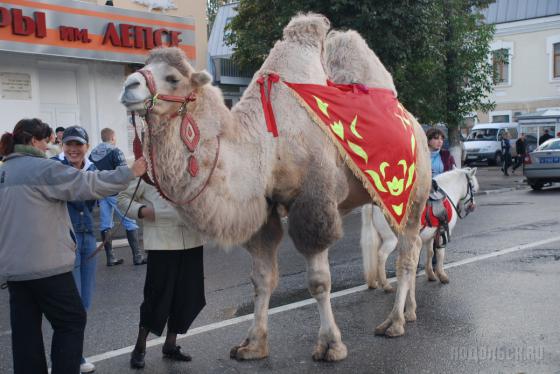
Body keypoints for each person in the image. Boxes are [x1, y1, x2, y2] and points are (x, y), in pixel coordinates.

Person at [0, 118, 146, 374]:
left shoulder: (4, 172)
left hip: (15, 270)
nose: (49, 147)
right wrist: (130, 172)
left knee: (25, 333)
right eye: (46, 141)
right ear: (33, 141)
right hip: (46, 266)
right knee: (72, 320)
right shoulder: (41, 169)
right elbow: (87, 184)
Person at [117, 180, 205, 369]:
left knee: (186, 296)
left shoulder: (191, 168)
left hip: (192, 240)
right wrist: (142, 211)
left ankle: (170, 345)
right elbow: (123, 198)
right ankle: (140, 347)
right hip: (161, 243)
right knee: (156, 297)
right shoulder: (149, 169)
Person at [89, 127, 146, 266]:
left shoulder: (93, 153)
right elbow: (123, 172)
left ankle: (110, 257)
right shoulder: (116, 151)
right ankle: (137, 256)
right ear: (113, 137)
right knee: (130, 221)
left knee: (105, 224)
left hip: (101, 193)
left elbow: (90, 172)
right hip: (115, 192)